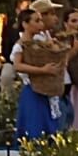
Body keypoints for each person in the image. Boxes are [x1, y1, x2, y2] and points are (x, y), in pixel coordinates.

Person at [12, 9, 65, 139]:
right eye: (37, 21)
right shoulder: (20, 45)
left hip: (46, 89)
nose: (41, 23)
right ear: (25, 24)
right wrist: (42, 70)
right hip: (32, 90)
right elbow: (17, 66)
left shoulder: (41, 41)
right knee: (34, 126)